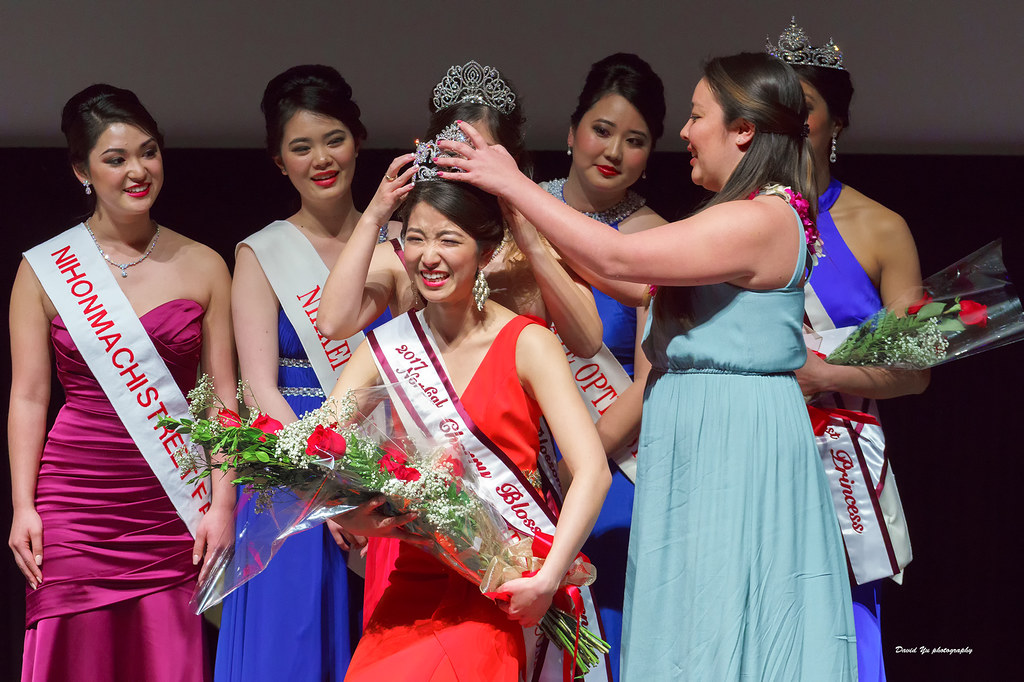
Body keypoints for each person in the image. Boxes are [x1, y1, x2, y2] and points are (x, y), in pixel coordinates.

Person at [434, 52, 858, 679]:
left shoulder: (761, 217)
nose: (683, 133)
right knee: (694, 613)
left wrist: (510, 182)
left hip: (732, 439)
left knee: (725, 609)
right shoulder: (737, 215)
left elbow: (619, 258)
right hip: (704, 431)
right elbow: (624, 278)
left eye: (696, 117)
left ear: (743, 130)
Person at [314, 59, 604, 626]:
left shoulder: (530, 245)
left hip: (511, 497)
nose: (467, 169)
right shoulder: (413, 253)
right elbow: (335, 319)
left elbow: (588, 339)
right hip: (420, 514)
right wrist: (377, 214)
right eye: (455, 153)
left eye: (484, 157)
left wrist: (527, 228)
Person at [325, 176, 612, 681]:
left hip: (503, 585)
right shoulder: (387, 346)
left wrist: (547, 581)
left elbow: (592, 473)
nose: (428, 256)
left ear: (486, 250)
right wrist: (353, 515)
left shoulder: (528, 342)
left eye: (448, 239)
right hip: (412, 580)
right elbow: (319, 447)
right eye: (415, 237)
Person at [8, 84, 235, 682]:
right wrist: (23, 506)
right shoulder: (42, 270)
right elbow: (29, 395)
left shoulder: (206, 263)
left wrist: (223, 502)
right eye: (116, 158)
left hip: (173, 504)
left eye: (149, 151)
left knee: (163, 656)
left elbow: (223, 403)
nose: (138, 170)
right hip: (74, 501)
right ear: (82, 170)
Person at [215, 65, 397, 682]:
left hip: (394, 470)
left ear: (359, 138)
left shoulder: (405, 244)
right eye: (301, 147)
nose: (322, 159)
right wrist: (336, 493)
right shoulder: (260, 253)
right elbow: (261, 389)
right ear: (279, 161)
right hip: (293, 477)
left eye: (334, 139)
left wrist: (378, 489)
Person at [767, 19, 929, 682]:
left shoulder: (882, 228)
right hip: (756, 448)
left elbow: (916, 372)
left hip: (840, 466)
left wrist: (818, 374)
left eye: (802, 109)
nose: (787, 123)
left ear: (837, 123)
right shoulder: (729, 220)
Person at [536, 52, 666, 681]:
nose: (614, 150)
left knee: (601, 632)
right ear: (570, 131)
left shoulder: (656, 240)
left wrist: (576, 462)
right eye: (602, 129)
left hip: (611, 466)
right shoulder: (519, 212)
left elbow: (649, 380)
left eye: (635, 140)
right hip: (508, 458)